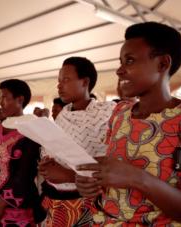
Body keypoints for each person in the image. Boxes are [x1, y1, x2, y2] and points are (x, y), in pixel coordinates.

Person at [75, 22, 181, 226]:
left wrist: (138, 178)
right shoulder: (120, 113)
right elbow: (114, 178)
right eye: (121, 62)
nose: (119, 71)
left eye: (129, 61)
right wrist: (92, 183)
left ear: (163, 64)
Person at [38, 57, 116, 227]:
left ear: (85, 82)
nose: (59, 85)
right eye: (59, 81)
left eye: (66, 80)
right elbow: (52, 149)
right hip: (57, 202)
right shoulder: (63, 115)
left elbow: (112, 166)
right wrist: (46, 163)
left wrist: (67, 175)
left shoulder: (107, 114)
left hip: (87, 206)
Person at [0, 79, 44, 226]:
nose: (0, 102)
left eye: (4, 97)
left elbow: (25, 173)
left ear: (20, 99)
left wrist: (0, 205)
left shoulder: (31, 129)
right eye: (0, 97)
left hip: (18, 206)